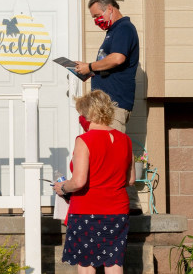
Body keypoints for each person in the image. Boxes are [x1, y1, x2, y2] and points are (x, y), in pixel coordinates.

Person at [74, 0, 142, 215]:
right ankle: (126, 204)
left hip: (114, 103)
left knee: (115, 153)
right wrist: (90, 71)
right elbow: (109, 63)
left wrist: (91, 66)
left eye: (97, 16)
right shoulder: (113, 32)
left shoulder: (123, 29)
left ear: (110, 9)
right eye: (93, 18)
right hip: (106, 104)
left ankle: (128, 206)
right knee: (110, 153)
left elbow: (117, 59)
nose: (96, 21)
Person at [53, 90, 135, 274]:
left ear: (88, 114)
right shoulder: (126, 140)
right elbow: (131, 179)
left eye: (81, 114)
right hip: (118, 210)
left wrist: (63, 187)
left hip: (87, 210)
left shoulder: (84, 140)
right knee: (114, 262)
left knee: (86, 263)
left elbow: (79, 181)